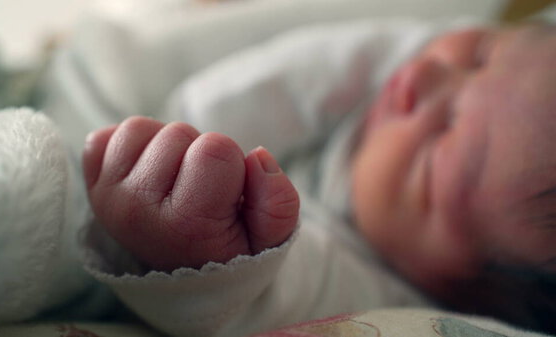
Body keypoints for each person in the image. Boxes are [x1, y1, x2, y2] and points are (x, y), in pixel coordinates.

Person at [79, 22, 556, 337]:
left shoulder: (382, 298)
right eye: (480, 55)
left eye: (439, 142)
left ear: (472, 294)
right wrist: (193, 121)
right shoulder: (394, 69)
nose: (422, 76)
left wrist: (215, 253)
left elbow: (284, 299)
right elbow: (293, 77)